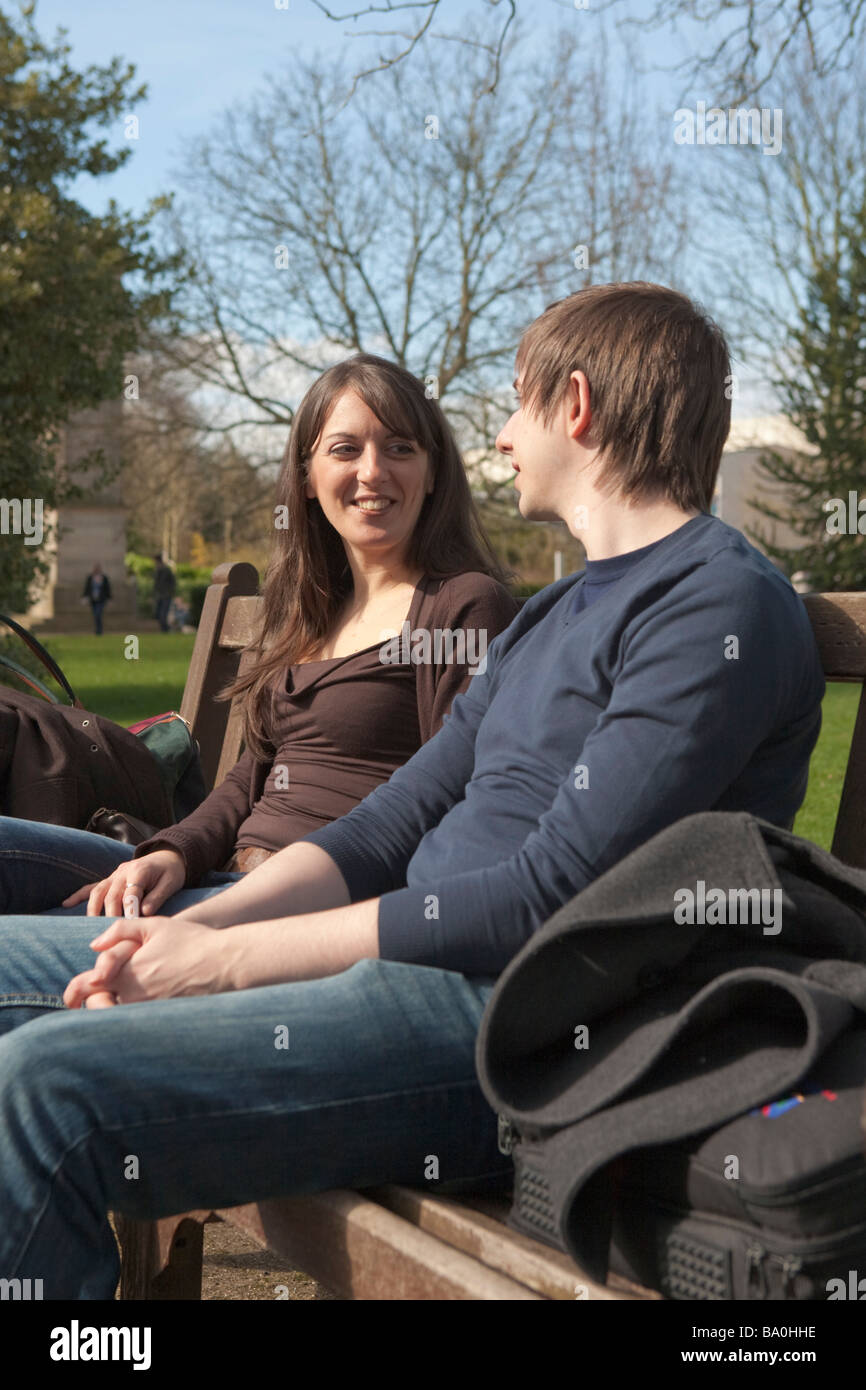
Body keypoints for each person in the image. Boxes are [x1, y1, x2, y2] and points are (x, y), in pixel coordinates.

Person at [0, 284, 825, 1300]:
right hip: (391, 970)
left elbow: (546, 897)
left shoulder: (714, 602)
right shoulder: (553, 610)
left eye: (513, 405)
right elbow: (391, 818)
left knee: (44, 1086)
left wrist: (223, 958)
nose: (500, 435)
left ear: (573, 406)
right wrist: (207, 928)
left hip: (508, 1029)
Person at [0, 354, 517, 918]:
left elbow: (455, 798)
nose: (373, 471)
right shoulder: (308, 609)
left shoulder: (462, 606)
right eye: (345, 449)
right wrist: (174, 851)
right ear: (308, 478)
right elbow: (251, 777)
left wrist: (253, 905)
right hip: (219, 876)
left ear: (434, 471)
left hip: (301, 907)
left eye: (399, 448)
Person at [82, 563, 112, 636]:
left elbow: (107, 589)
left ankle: (99, 630)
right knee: (96, 615)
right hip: (93, 600)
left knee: (98, 614)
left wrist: (109, 598)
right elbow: (87, 588)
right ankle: (98, 629)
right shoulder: (90, 578)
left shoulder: (104, 578)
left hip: (101, 600)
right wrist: (84, 597)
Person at [152, 553, 176, 632]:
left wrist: (170, 592)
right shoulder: (157, 570)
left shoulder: (166, 570)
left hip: (166, 595)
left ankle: (166, 630)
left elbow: (172, 582)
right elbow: (156, 585)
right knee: (158, 614)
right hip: (160, 596)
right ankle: (165, 629)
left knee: (163, 614)